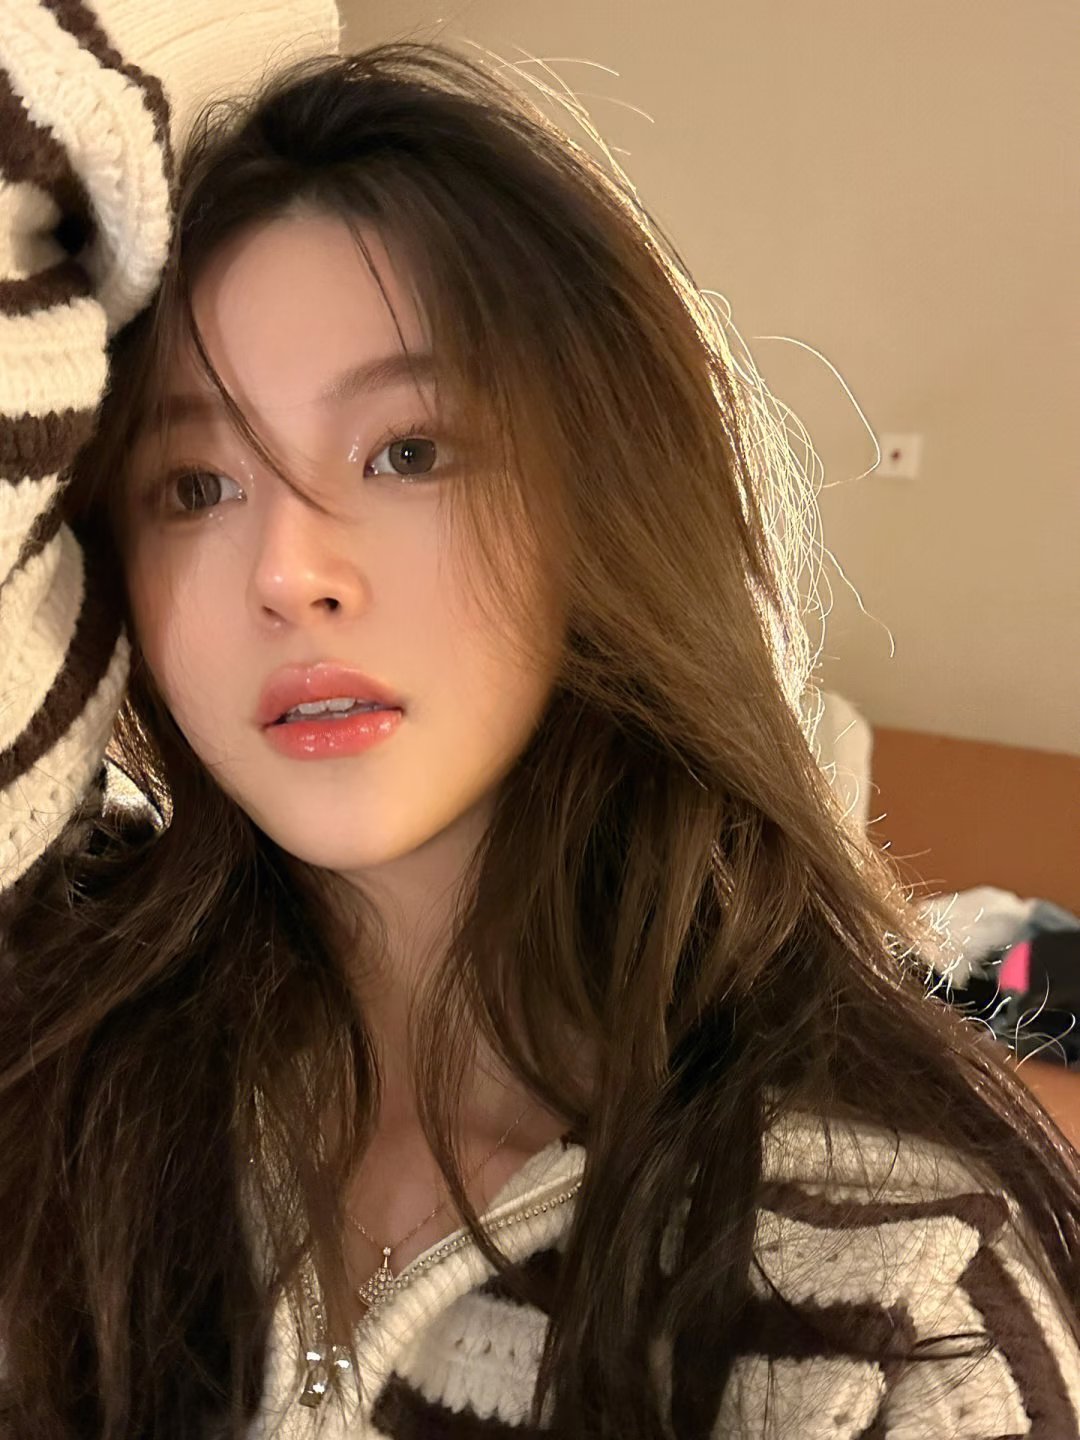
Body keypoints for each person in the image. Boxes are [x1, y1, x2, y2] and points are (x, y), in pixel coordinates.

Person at [2, 4, 1079, 1437]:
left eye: (408, 451)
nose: (288, 573)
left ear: (605, 503)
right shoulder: (65, 1046)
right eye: (196, 486)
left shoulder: (894, 1292)